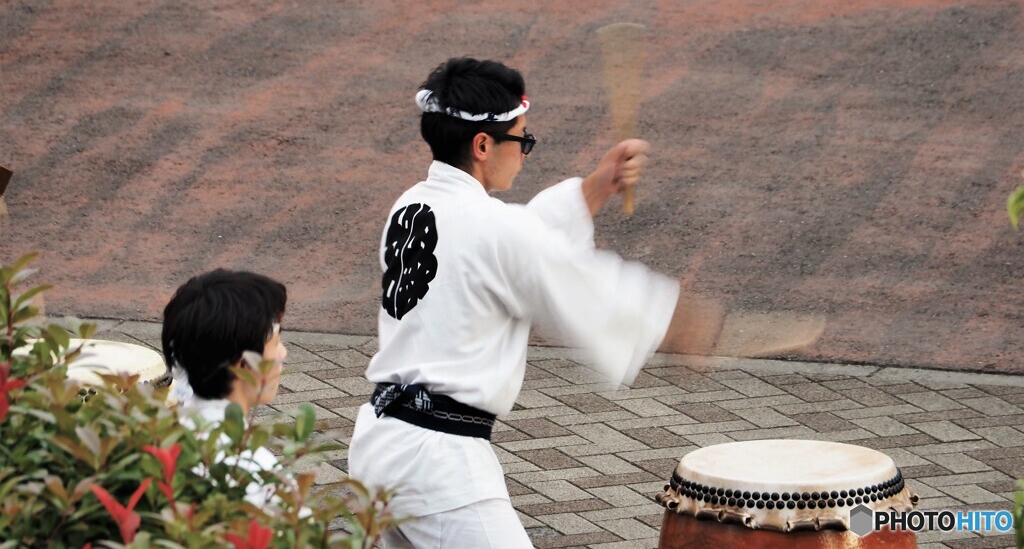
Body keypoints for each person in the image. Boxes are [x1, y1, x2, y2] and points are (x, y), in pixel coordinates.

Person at [348, 57, 714, 548]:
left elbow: (519, 245)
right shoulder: (495, 229)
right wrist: (677, 323)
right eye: (522, 140)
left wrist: (596, 186)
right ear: (482, 145)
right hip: (439, 465)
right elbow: (550, 266)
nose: (525, 153)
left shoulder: (412, 205)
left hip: (380, 444)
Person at [161, 269, 290, 507]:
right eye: (276, 342)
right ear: (243, 364)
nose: (284, 353)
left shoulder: (157, 441)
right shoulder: (257, 474)